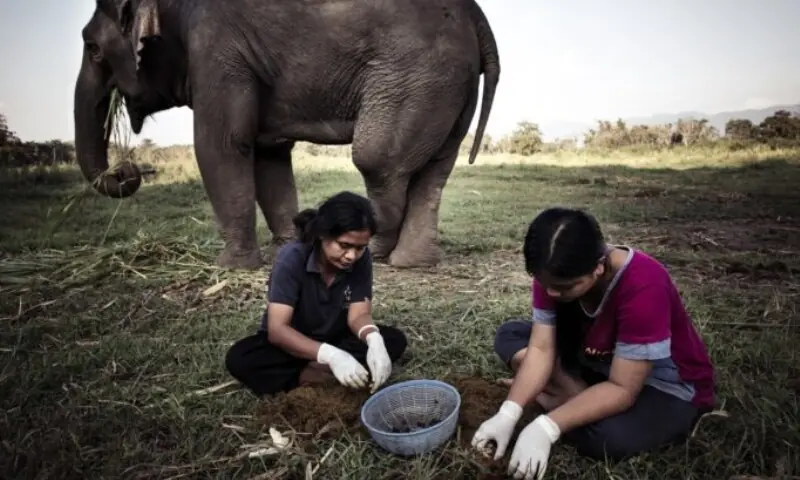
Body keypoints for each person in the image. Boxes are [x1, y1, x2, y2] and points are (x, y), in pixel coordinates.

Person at [471, 207, 716, 479]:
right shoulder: (553, 271)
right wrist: (509, 412)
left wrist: (547, 427)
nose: (551, 292)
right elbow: (541, 348)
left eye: (565, 287)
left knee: (610, 438)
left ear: (599, 267)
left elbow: (624, 388)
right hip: (599, 357)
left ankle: (561, 398)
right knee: (511, 334)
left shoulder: (645, 285)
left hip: (660, 384)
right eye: (543, 282)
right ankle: (576, 395)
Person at [225, 191, 408, 396]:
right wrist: (332, 356)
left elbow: (358, 315)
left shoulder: (361, 260)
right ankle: (312, 375)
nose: (351, 256)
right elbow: (277, 329)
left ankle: (316, 374)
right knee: (240, 358)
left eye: (360, 248)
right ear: (323, 234)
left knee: (393, 339)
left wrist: (374, 339)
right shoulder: (292, 258)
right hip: (292, 342)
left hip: (336, 336)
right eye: (344, 245)